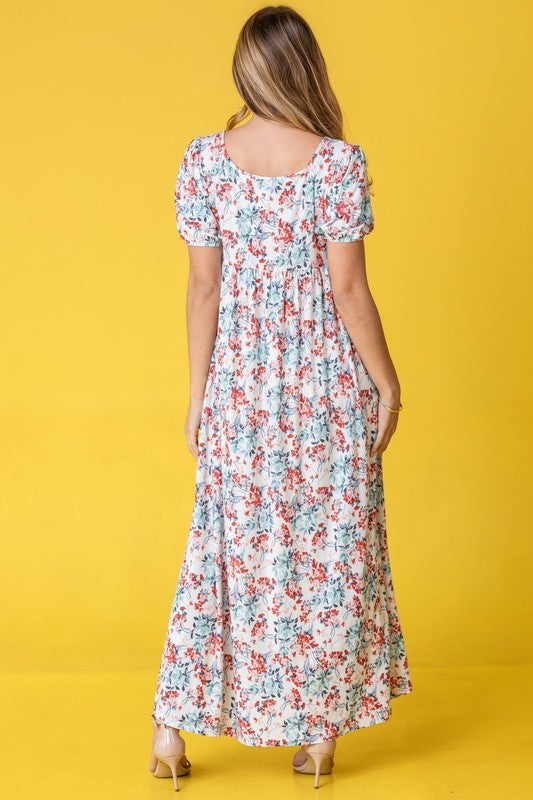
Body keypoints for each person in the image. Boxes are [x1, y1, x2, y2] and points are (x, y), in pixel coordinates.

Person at [149, 4, 412, 790]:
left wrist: (198, 395)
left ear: (246, 70)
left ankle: (168, 735)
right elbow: (347, 287)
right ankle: (320, 740)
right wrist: (386, 379)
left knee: (219, 553)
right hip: (323, 385)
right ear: (307, 69)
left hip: (241, 386)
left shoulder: (202, 160)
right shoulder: (335, 163)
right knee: (329, 554)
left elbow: (202, 288)